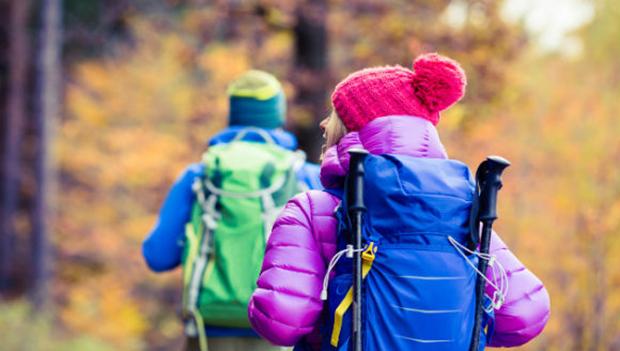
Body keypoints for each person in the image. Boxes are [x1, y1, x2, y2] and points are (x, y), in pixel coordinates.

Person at [248, 54, 551, 350]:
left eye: (335, 114)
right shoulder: (462, 208)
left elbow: (282, 319)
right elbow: (524, 314)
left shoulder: (315, 209)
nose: (325, 124)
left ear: (352, 128)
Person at [143, 70, 321, 351]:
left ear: (232, 115)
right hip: (283, 329)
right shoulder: (307, 177)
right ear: (278, 116)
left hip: (208, 331)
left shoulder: (199, 176)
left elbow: (157, 255)